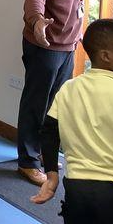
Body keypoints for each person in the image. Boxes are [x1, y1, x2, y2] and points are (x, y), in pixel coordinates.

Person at [17, 0, 99, 186]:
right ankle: (27, 162)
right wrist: (37, 21)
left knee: (55, 104)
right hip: (45, 47)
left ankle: (42, 151)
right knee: (36, 103)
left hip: (67, 46)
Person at [30, 18, 113, 224]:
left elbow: (49, 133)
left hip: (77, 187)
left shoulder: (68, 88)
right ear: (106, 56)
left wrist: (51, 177)